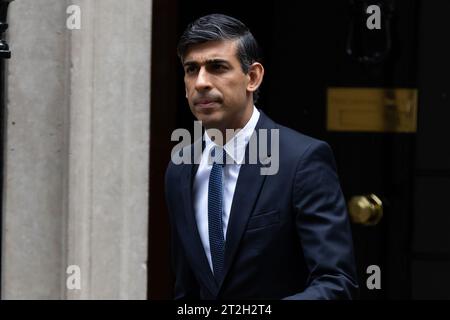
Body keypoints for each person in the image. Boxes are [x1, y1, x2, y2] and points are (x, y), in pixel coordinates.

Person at [165, 13, 358, 299]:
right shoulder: (180, 168)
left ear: (252, 77)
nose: (201, 82)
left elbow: (336, 283)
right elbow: (187, 288)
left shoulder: (301, 160)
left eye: (217, 67)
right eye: (191, 69)